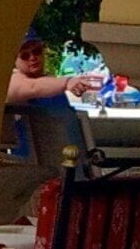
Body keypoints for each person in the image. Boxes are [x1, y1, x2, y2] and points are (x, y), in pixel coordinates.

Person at [5, 37, 92, 171]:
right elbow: (32, 87)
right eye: (25, 55)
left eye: (36, 51)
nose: (32, 57)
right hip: (34, 171)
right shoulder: (13, 82)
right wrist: (67, 82)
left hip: (71, 167)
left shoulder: (52, 84)